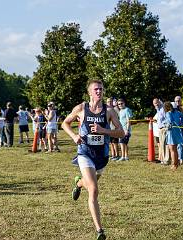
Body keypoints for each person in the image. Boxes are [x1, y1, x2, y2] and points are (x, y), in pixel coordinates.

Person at [62, 79, 124, 240]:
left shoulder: (109, 111)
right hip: (85, 152)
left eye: (101, 89)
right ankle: (100, 231)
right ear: (90, 92)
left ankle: (78, 183)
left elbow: (121, 132)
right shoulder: (81, 108)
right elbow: (65, 123)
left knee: (89, 183)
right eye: (96, 89)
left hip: (102, 156)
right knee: (94, 190)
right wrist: (74, 136)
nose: (99, 91)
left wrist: (104, 130)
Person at [163, 102, 183, 170]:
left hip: (171, 132)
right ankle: (176, 163)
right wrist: (180, 123)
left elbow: (169, 122)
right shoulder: (177, 112)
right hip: (177, 131)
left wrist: (165, 126)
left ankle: (174, 164)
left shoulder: (168, 113)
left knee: (172, 149)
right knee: (175, 149)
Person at [173, 96, 183, 164]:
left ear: (181, 101)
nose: (177, 102)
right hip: (175, 129)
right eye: (176, 101)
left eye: (179, 101)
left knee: (181, 144)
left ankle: (181, 159)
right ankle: (177, 158)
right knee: (175, 144)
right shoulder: (173, 109)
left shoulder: (182, 109)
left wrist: (182, 122)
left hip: (181, 128)